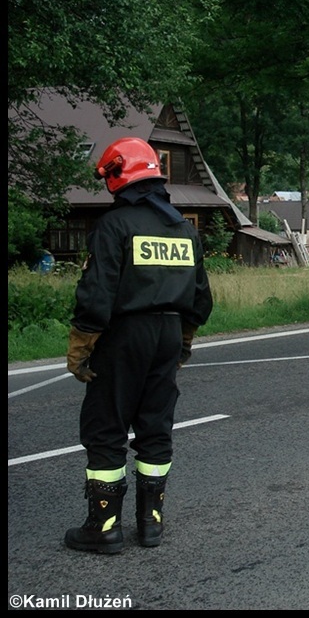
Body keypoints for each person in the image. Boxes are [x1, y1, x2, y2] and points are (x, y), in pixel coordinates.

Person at [64, 137, 213, 554]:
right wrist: (183, 339)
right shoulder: (184, 229)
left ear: (117, 176)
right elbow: (201, 297)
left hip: (122, 336)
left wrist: (81, 343)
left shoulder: (115, 226)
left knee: (106, 426)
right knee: (155, 425)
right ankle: (151, 524)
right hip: (168, 334)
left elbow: (97, 293)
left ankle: (104, 527)